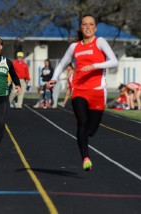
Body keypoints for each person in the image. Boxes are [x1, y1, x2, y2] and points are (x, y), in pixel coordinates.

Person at [47, 14, 118, 171]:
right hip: (79, 89)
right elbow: (61, 64)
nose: (88, 27)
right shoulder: (74, 47)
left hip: (98, 91)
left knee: (90, 131)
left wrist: (94, 66)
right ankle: (86, 158)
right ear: (81, 27)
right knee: (83, 123)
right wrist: (53, 78)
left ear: (95, 27)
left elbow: (114, 61)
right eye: (85, 24)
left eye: (91, 24)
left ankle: (83, 126)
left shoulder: (100, 42)